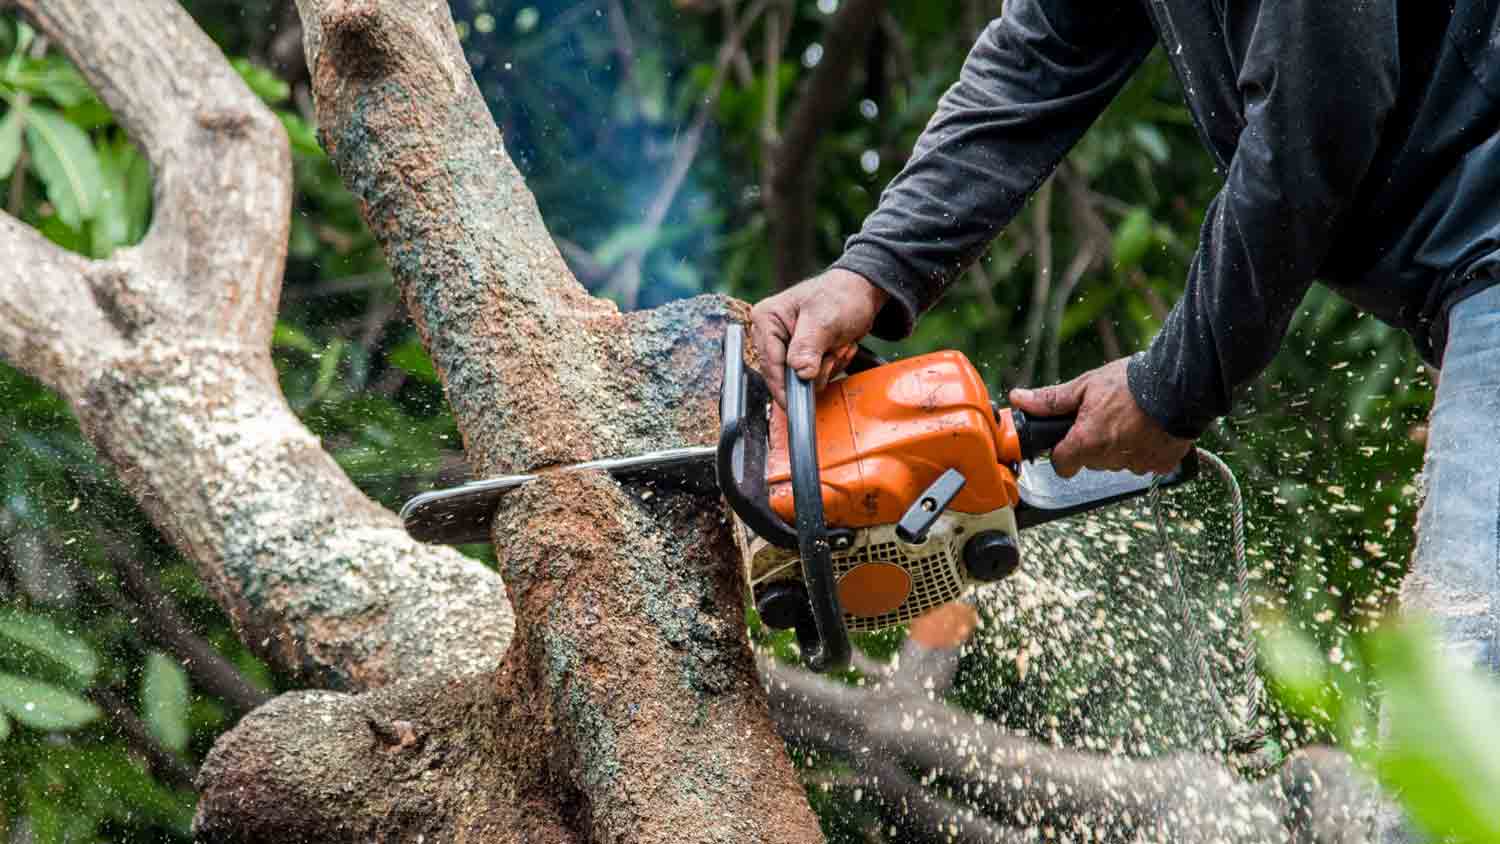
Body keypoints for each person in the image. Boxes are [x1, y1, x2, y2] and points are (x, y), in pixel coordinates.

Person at [750, 2, 1500, 836]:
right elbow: (1046, 50)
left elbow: (1317, 110)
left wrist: (1172, 387)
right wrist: (873, 271)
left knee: (1460, 728)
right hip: (1470, 279)